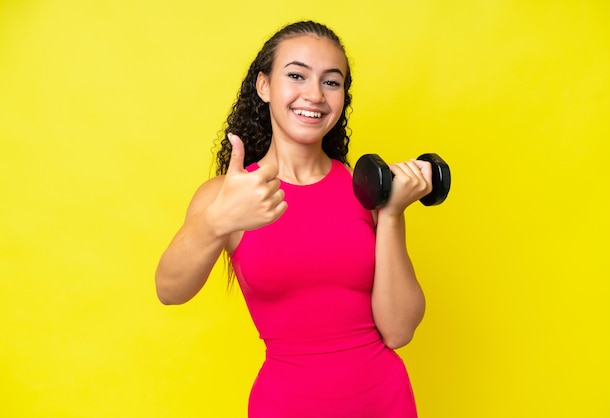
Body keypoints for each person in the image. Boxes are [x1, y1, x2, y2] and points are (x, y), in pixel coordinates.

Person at [155, 20, 431, 418]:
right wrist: (217, 221)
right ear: (264, 86)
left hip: (383, 400)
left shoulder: (364, 192)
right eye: (297, 75)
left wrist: (391, 214)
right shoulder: (227, 195)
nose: (315, 95)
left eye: (331, 82)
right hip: (286, 405)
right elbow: (169, 290)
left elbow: (400, 331)